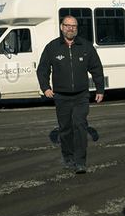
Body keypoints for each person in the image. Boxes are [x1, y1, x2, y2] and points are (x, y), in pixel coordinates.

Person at [37, 15, 105, 174]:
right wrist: (45, 87)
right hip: (61, 96)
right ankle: (68, 156)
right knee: (65, 128)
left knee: (80, 125)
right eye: (68, 25)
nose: (71, 28)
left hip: (81, 95)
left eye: (74, 26)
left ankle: (80, 162)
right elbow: (42, 69)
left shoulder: (86, 46)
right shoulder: (52, 47)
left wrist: (100, 89)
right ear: (61, 27)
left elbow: (97, 68)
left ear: (76, 28)